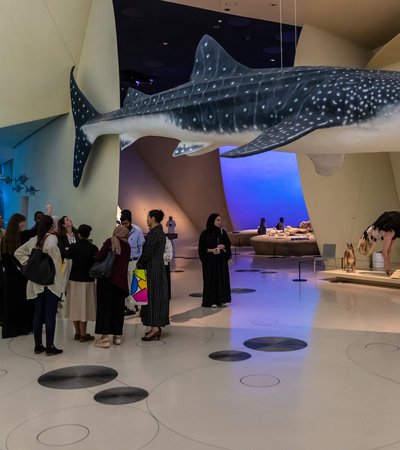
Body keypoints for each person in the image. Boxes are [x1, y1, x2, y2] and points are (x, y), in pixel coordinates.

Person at [14, 215, 64, 355]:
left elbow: (18, 253)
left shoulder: (34, 239)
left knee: (38, 314)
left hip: (36, 281)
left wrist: (28, 265)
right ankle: (49, 347)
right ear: (51, 226)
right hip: (50, 282)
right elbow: (54, 256)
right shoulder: (52, 238)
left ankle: (38, 345)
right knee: (49, 315)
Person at [94, 225, 130, 348]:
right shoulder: (128, 246)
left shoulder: (111, 241)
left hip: (107, 281)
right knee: (118, 309)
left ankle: (104, 338)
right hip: (121, 283)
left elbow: (99, 256)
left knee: (105, 308)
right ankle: (117, 336)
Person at [137, 209, 169, 341]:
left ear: (153, 218)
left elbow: (147, 253)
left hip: (152, 270)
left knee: (153, 297)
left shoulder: (155, 234)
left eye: (148, 217)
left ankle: (155, 328)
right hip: (157, 268)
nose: (146, 220)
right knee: (154, 297)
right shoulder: (159, 233)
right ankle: (154, 326)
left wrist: (140, 263)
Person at [1, 213, 33, 338]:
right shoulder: (21, 237)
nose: (24, 224)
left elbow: (4, 259)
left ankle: (11, 329)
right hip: (20, 275)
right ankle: (22, 328)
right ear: (17, 223)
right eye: (22, 222)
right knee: (22, 301)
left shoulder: (5, 239)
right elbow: (34, 230)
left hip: (9, 275)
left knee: (10, 302)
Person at [64, 224, 98, 342]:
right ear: (89, 235)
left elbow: (67, 258)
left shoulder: (72, 247)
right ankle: (84, 334)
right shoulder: (93, 248)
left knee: (75, 306)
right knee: (84, 307)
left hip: (73, 280)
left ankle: (77, 333)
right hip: (87, 281)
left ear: (78, 234)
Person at [198, 213, 232, 308]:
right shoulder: (204, 234)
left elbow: (228, 244)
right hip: (210, 262)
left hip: (221, 261)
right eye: (217, 220)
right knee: (211, 279)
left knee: (221, 278)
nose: (219, 222)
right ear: (212, 220)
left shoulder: (222, 232)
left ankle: (221, 299)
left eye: (220, 220)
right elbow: (201, 249)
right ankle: (211, 300)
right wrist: (212, 250)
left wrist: (223, 246)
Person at [358, 211, 400, 276]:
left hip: (392, 224)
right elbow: (384, 251)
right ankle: (387, 269)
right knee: (386, 250)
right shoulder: (392, 229)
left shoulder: (395, 232)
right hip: (388, 223)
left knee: (389, 249)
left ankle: (388, 269)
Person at [120, 209, 145, 316]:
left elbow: (142, 247)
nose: (124, 225)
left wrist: (140, 261)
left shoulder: (137, 231)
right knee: (126, 285)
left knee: (137, 283)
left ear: (130, 221)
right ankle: (130, 306)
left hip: (135, 261)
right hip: (124, 261)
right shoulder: (120, 230)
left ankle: (137, 307)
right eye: (122, 223)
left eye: (126, 223)